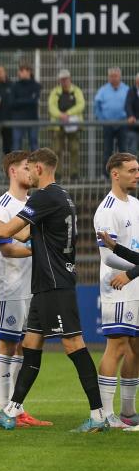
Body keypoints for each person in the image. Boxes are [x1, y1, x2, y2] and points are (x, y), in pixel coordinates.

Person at [0, 148, 107, 432]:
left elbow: (8, 234)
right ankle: (11, 410)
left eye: (31, 167)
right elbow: (24, 233)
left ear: (39, 168)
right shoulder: (60, 195)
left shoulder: (44, 196)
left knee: (74, 345)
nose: (30, 172)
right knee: (31, 345)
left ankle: (99, 415)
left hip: (54, 284)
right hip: (44, 285)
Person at [0, 150, 51, 427]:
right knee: (7, 344)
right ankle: (4, 409)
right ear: (13, 171)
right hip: (9, 287)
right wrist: (39, 249)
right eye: (26, 167)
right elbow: (8, 250)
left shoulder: (35, 202)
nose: (31, 171)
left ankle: (16, 408)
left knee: (26, 347)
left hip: (31, 286)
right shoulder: (3, 205)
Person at [93, 153, 139, 428]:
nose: (137, 174)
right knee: (117, 347)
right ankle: (106, 415)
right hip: (118, 286)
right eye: (132, 170)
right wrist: (132, 271)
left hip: (136, 283)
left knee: (136, 348)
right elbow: (107, 256)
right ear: (115, 173)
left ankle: (128, 412)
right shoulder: (107, 209)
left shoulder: (135, 204)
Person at [48, 69, 85, 180]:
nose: (64, 81)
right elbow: (51, 106)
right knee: (57, 150)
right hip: (58, 125)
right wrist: (61, 115)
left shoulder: (76, 91)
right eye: (62, 79)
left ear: (70, 79)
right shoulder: (55, 92)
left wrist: (68, 114)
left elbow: (81, 105)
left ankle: (74, 174)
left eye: (66, 79)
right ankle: (57, 174)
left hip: (73, 125)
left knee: (74, 148)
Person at [95, 67, 133, 175]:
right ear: (108, 78)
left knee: (124, 151)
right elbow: (97, 106)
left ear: (120, 77)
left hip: (123, 123)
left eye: (115, 76)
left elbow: (131, 105)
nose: (113, 78)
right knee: (107, 151)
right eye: (111, 76)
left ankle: (125, 174)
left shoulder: (127, 89)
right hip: (108, 124)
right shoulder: (102, 90)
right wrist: (102, 119)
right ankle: (106, 175)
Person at [9, 64, 42, 153]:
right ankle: (16, 166)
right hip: (18, 120)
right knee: (16, 146)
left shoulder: (36, 85)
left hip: (32, 119)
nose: (20, 73)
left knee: (34, 144)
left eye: (23, 71)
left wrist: (19, 101)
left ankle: (35, 166)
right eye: (20, 71)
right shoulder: (14, 86)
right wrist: (28, 100)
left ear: (29, 72)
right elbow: (12, 103)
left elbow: (34, 101)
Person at [124, 73, 139, 153]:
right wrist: (130, 116)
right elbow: (127, 105)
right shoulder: (131, 91)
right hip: (133, 127)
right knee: (132, 151)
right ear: (136, 81)